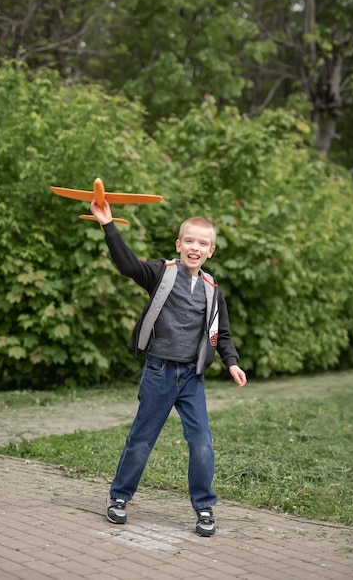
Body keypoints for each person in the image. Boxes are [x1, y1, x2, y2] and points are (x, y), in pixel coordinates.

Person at [90, 198, 247, 537]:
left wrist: (232, 363)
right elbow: (128, 265)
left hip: (192, 377)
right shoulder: (163, 273)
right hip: (159, 372)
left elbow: (223, 334)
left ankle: (204, 507)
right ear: (179, 244)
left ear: (211, 251)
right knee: (142, 439)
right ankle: (119, 497)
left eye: (202, 243)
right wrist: (108, 225)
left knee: (202, 441)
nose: (195, 247)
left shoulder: (212, 289)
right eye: (189, 241)